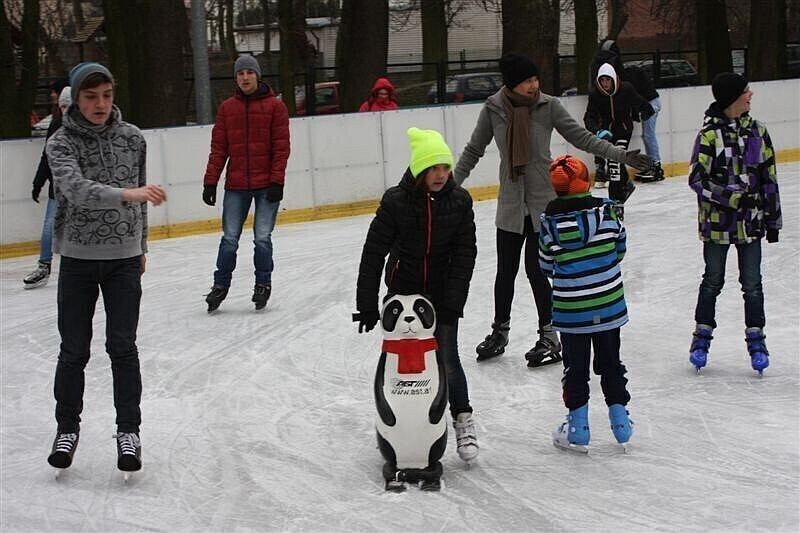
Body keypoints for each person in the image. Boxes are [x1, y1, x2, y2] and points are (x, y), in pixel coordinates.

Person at [454, 52, 652, 366]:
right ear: (513, 84)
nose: (534, 85)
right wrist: (451, 186)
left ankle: (549, 336)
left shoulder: (548, 106)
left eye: (536, 79)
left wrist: (621, 156)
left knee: (536, 271)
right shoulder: (494, 108)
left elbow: (582, 138)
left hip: (542, 204)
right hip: (511, 204)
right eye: (527, 81)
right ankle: (499, 332)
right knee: (505, 272)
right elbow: (473, 150)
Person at [44, 62, 167, 474]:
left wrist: (141, 245)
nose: (100, 104)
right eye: (91, 96)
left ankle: (129, 431)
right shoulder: (60, 143)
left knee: (123, 347)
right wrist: (128, 194)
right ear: (76, 98)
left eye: (107, 95)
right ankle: (67, 428)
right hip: (78, 260)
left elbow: (142, 199)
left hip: (124, 260)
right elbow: (76, 190)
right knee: (73, 350)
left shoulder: (132, 138)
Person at [355, 127, 479, 463]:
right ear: (419, 169)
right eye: (433, 167)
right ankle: (400, 427)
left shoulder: (459, 201)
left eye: (445, 167)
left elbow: (465, 255)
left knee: (447, 358)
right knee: (400, 365)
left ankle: (463, 419)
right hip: (403, 294)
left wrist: (453, 302)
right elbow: (373, 252)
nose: (441, 174)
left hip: (441, 295)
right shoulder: (396, 201)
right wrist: (367, 304)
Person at [687, 73, 782, 375]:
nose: (751, 95)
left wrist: (773, 219)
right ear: (732, 98)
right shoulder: (709, 136)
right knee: (712, 281)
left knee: (753, 285)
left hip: (751, 225)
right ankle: (701, 338)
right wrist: (731, 198)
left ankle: (757, 340)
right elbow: (697, 179)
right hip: (717, 226)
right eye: (745, 91)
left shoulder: (758, 132)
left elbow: (769, 178)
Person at [538, 155, 633, 451]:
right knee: (611, 362)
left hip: (572, 313)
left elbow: (546, 266)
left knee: (575, 368)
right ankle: (621, 422)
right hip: (608, 306)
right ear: (585, 182)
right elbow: (620, 249)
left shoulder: (549, 225)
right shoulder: (607, 214)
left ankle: (578, 428)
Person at [202, 55, 290, 312]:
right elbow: (219, 149)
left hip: (266, 185)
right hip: (236, 185)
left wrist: (277, 181)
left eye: (249, 72)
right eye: (240, 73)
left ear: (257, 76)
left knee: (262, 237)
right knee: (229, 238)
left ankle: (263, 283)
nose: (245, 77)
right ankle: (220, 285)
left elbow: (281, 148)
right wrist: (210, 182)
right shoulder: (227, 109)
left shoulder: (275, 107)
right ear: (236, 78)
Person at [584, 62, 654, 205]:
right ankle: (625, 185)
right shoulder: (595, 94)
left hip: (623, 130)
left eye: (607, 80)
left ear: (613, 79)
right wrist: (598, 131)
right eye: (602, 80)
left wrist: (646, 112)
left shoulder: (626, 89)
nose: (605, 84)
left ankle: (616, 199)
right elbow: (589, 117)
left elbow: (641, 103)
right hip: (607, 133)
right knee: (614, 161)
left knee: (614, 161)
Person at [24, 86, 72, 289]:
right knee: (49, 227)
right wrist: (38, 182)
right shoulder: (56, 125)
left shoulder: (87, 127)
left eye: (69, 106)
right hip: (58, 189)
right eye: (63, 106)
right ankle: (44, 266)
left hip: (82, 192)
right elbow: (47, 155)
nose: (66, 110)